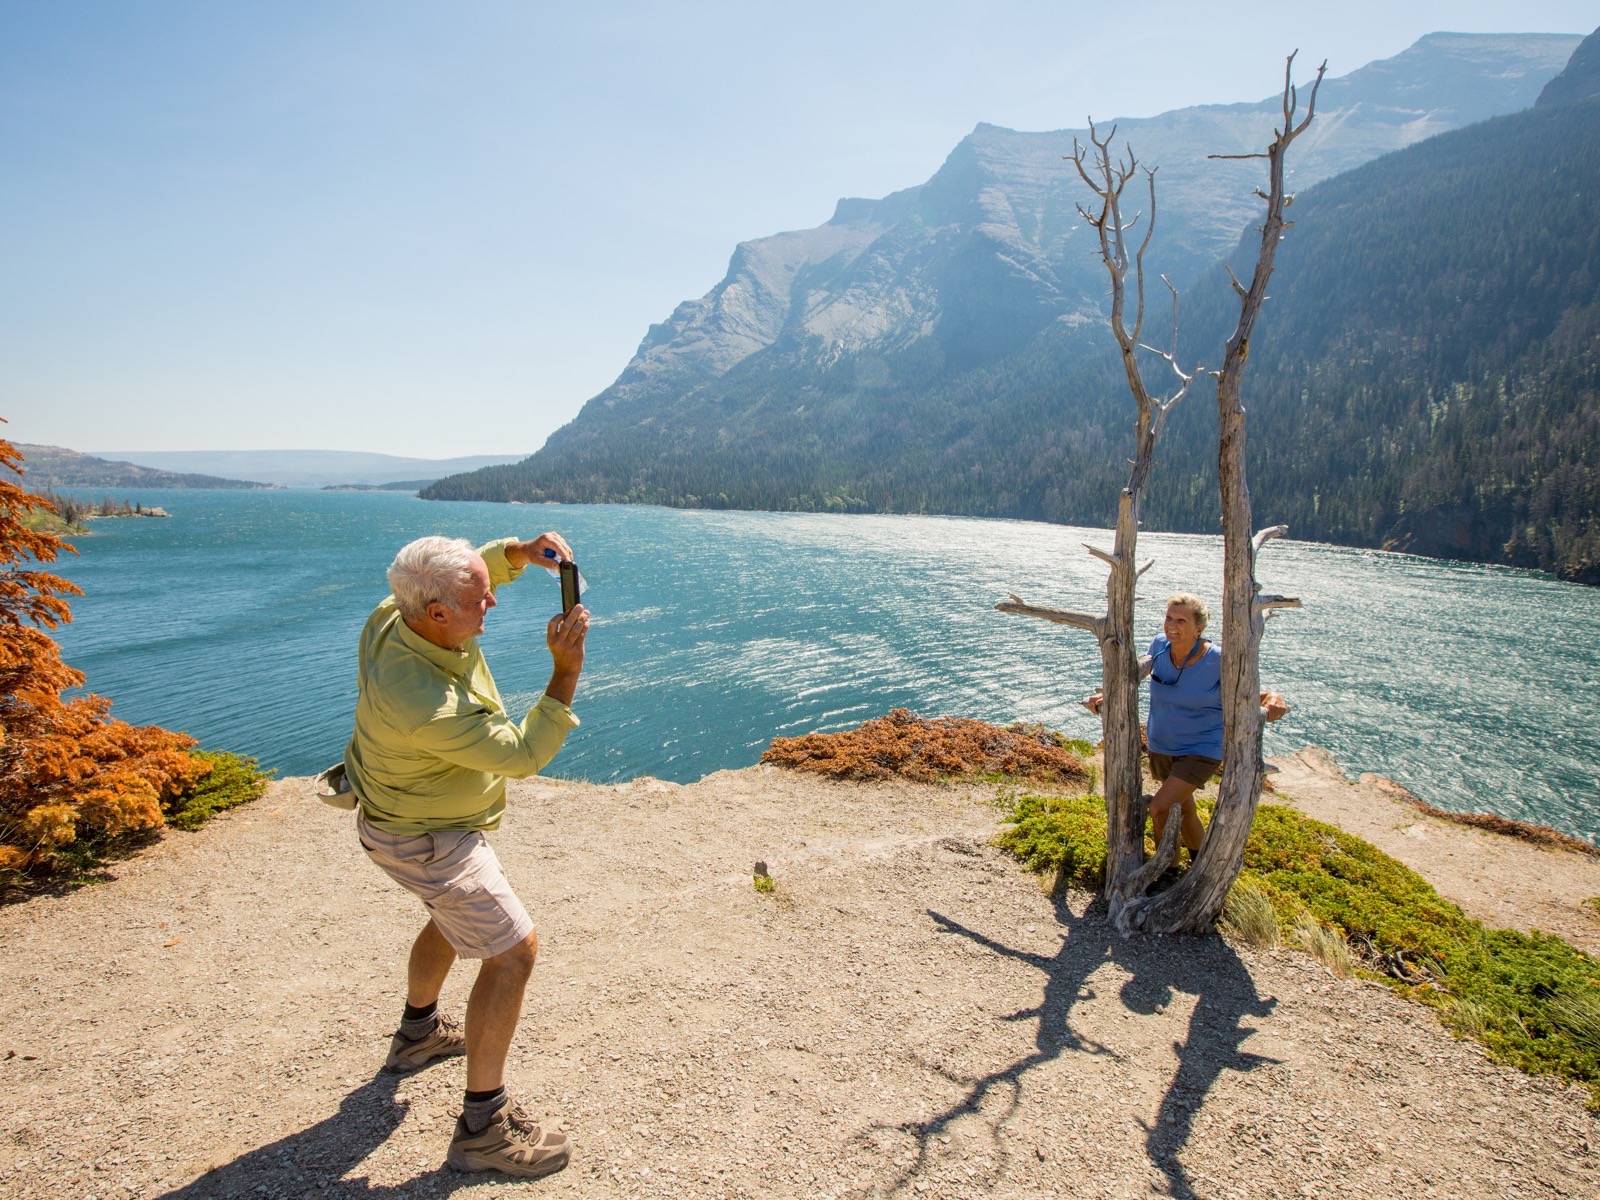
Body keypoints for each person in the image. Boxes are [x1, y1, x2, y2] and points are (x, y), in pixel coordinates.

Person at [344, 532, 589, 1180]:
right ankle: (482, 1128)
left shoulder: (393, 615)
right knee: (513, 952)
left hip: (397, 818)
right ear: (438, 616)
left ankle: (418, 1034)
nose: (494, 606)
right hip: (427, 839)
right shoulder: (425, 701)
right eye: (481, 600)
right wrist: (565, 670)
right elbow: (520, 754)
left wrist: (515, 552)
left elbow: (471, 577)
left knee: (454, 920)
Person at [1084, 593, 1288, 863]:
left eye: (1181, 620)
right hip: (1163, 747)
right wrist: (1107, 696)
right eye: (1169, 618)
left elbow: (1251, 691)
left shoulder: (1218, 660)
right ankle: (1200, 861)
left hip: (1202, 748)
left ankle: (1165, 868)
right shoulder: (1159, 645)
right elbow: (1131, 677)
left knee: (1160, 808)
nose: (1171, 625)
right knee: (1185, 809)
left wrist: (1273, 698)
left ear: (1199, 628)